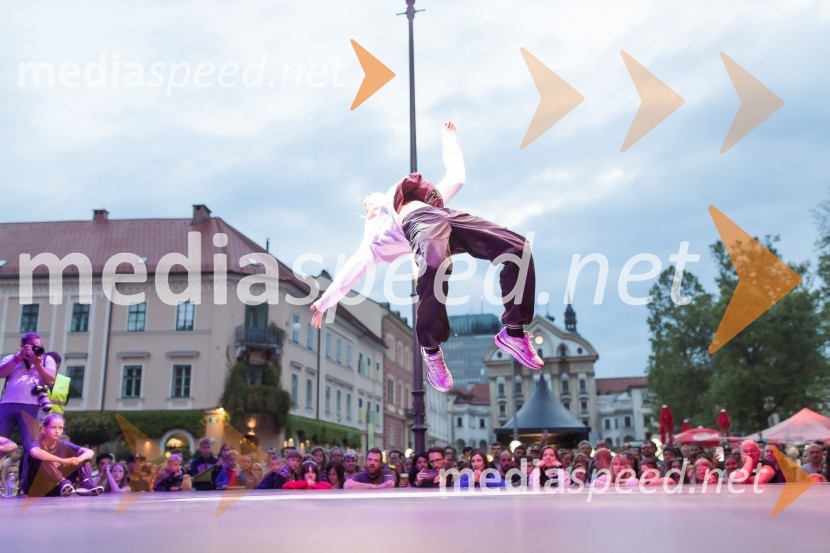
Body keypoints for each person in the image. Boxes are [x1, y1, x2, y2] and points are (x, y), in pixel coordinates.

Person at [310, 122, 543, 393]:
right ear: (368, 214)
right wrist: (325, 301)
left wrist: (449, 139)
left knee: (518, 248)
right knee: (435, 265)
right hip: (420, 226)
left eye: (374, 200)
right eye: (369, 205)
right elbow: (354, 267)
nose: (374, 203)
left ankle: (514, 333)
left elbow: (457, 177)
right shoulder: (375, 237)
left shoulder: (426, 196)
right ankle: (431, 351)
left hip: (445, 216)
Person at [0, 333, 58, 488]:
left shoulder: (46, 359)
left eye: (38, 346)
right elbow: (1, 373)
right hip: (7, 404)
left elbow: (50, 380)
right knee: (0, 442)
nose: (35, 349)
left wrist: (37, 363)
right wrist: (18, 358)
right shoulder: (11, 358)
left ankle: (26, 486)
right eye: (31, 346)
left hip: (32, 406)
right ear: (22, 346)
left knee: (30, 447)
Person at [24, 413, 104, 497]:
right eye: (53, 427)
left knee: (82, 455)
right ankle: (62, 481)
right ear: (44, 430)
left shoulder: (63, 444)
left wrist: (79, 459)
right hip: (39, 487)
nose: (57, 431)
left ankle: (86, 483)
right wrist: (62, 460)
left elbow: (89, 452)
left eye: (60, 428)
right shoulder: (37, 444)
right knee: (41, 457)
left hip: (58, 488)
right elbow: (34, 452)